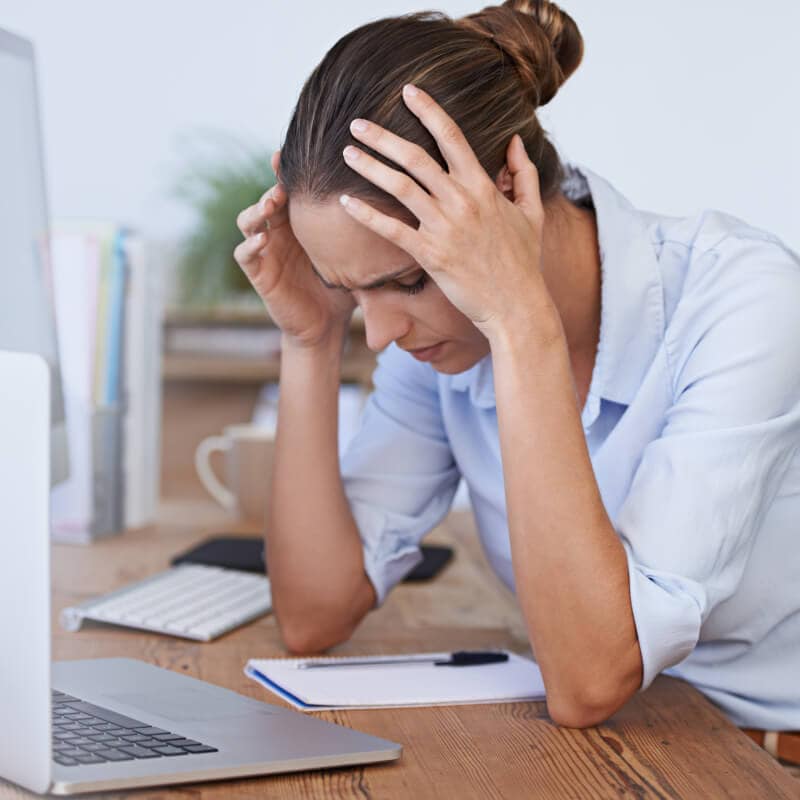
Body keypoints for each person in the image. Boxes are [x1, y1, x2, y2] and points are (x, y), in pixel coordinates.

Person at [233, 0, 800, 739]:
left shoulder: (743, 301)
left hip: (766, 753)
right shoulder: (438, 343)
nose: (379, 335)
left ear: (504, 191)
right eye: (352, 290)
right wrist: (311, 339)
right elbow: (313, 614)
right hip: (637, 746)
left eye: (406, 281)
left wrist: (518, 319)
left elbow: (590, 680)